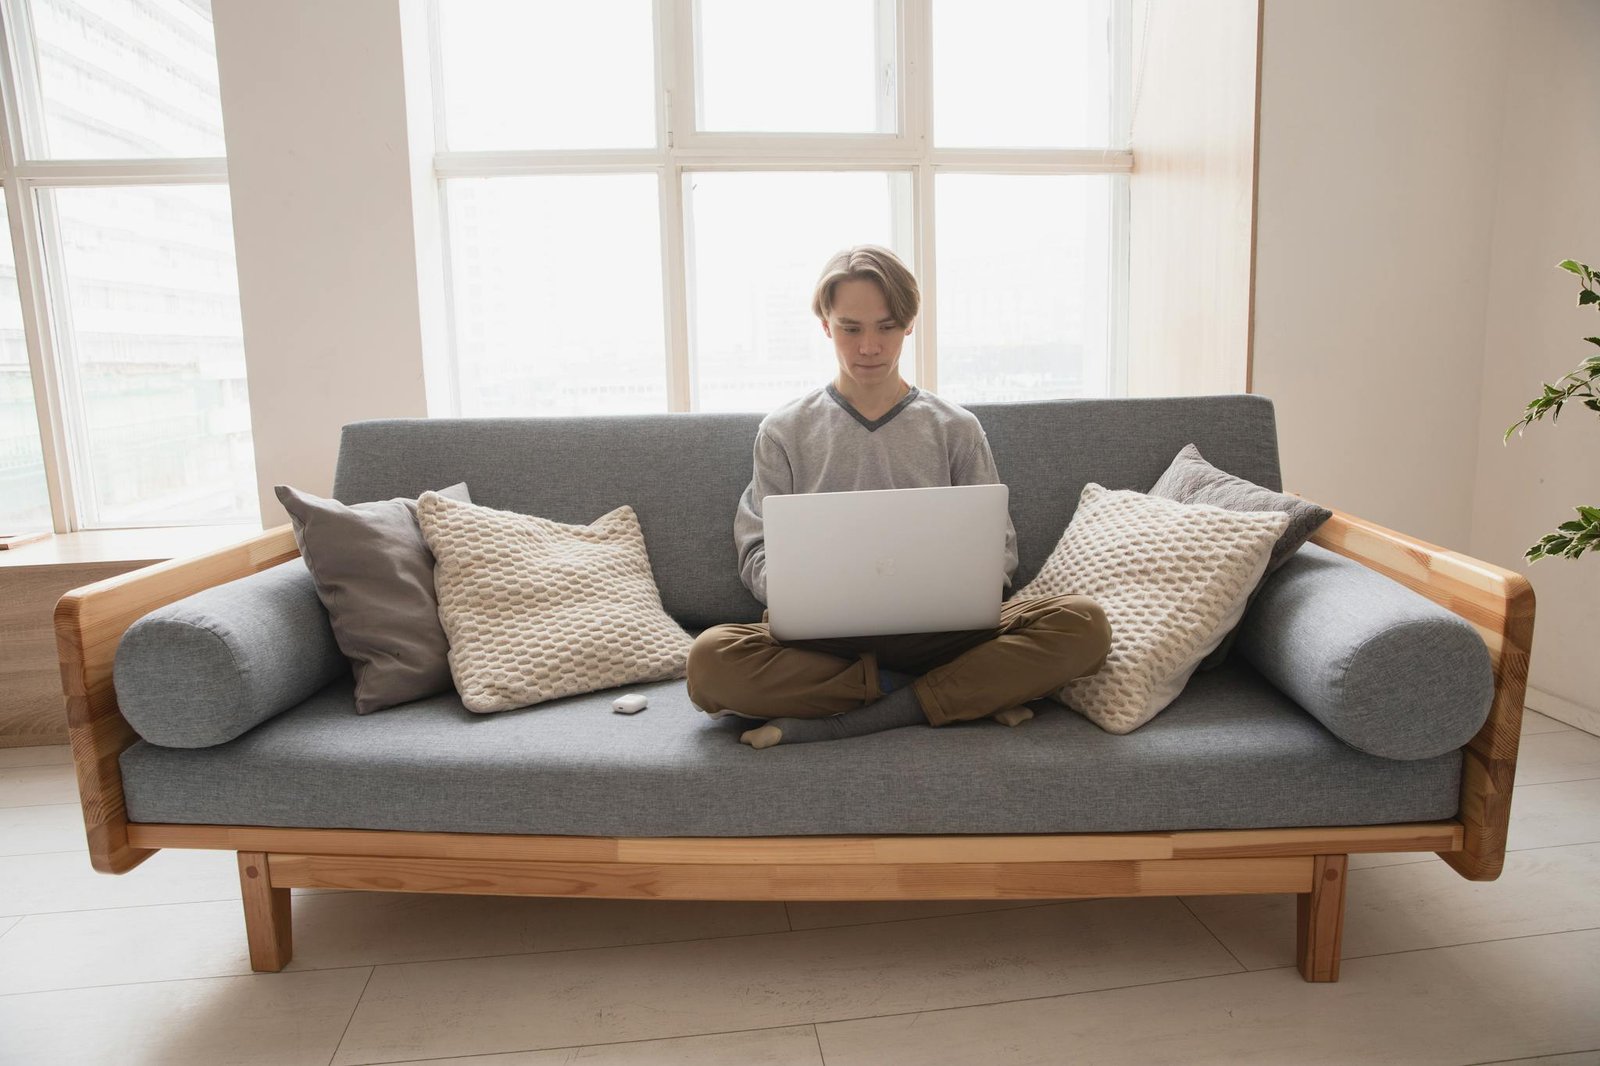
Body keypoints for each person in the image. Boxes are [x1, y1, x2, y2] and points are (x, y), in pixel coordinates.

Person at [686, 244, 1112, 749]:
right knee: (710, 661)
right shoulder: (783, 432)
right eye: (851, 328)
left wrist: (963, 585)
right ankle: (944, 696)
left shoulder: (956, 428)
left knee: (1084, 624)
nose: (869, 346)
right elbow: (756, 551)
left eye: (886, 327)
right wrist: (802, 589)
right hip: (826, 644)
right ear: (826, 324)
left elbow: (998, 550)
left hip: (947, 638)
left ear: (908, 325)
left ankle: (864, 713)